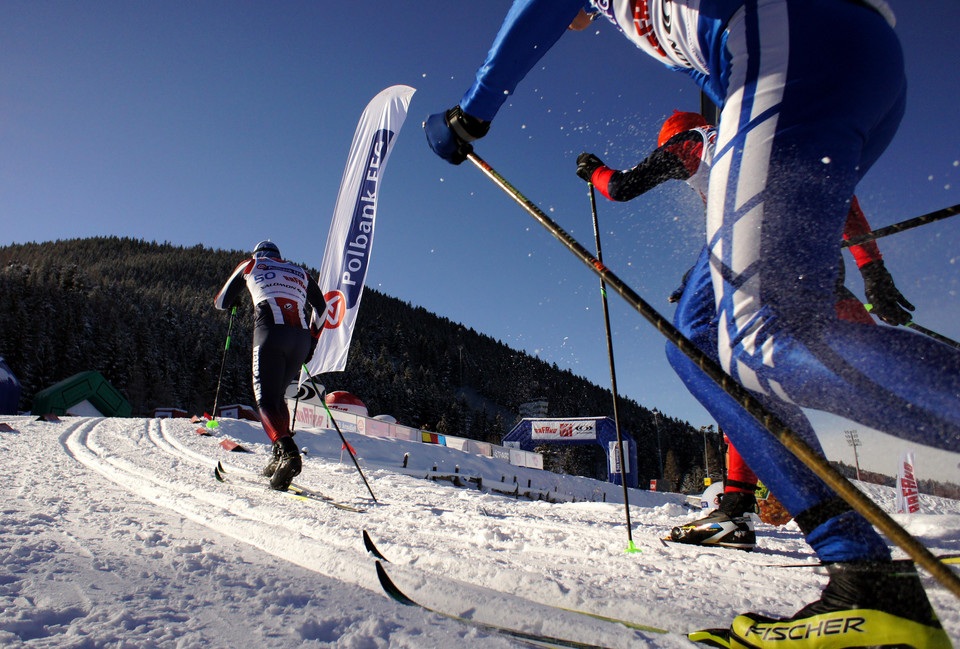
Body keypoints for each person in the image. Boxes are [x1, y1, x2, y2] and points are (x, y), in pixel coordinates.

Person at [423, 2, 959, 647]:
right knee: (697, 343)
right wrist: (873, 274)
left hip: (792, 45)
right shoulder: (710, 88)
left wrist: (472, 116)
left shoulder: (689, 136)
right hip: (852, 71)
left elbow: (620, 177)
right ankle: (859, 573)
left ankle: (853, 567)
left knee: (758, 342)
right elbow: (831, 190)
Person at [576, 112, 914, 552]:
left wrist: (595, 170)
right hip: (815, 262)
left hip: (762, 268)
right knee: (875, 372)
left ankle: (762, 508)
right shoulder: (763, 138)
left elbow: (621, 188)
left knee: (731, 377)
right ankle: (744, 501)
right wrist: (874, 272)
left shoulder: (691, 144)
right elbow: (839, 196)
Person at [214, 240, 327, 491]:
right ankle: (278, 456)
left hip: (270, 334)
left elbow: (221, 301)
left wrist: (236, 300)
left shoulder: (251, 263)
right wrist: (313, 341)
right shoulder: (300, 271)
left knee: (265, 401)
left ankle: (288, 453)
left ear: (257, 253)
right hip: (300, 338)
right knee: (279, 399)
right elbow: (322, 307)